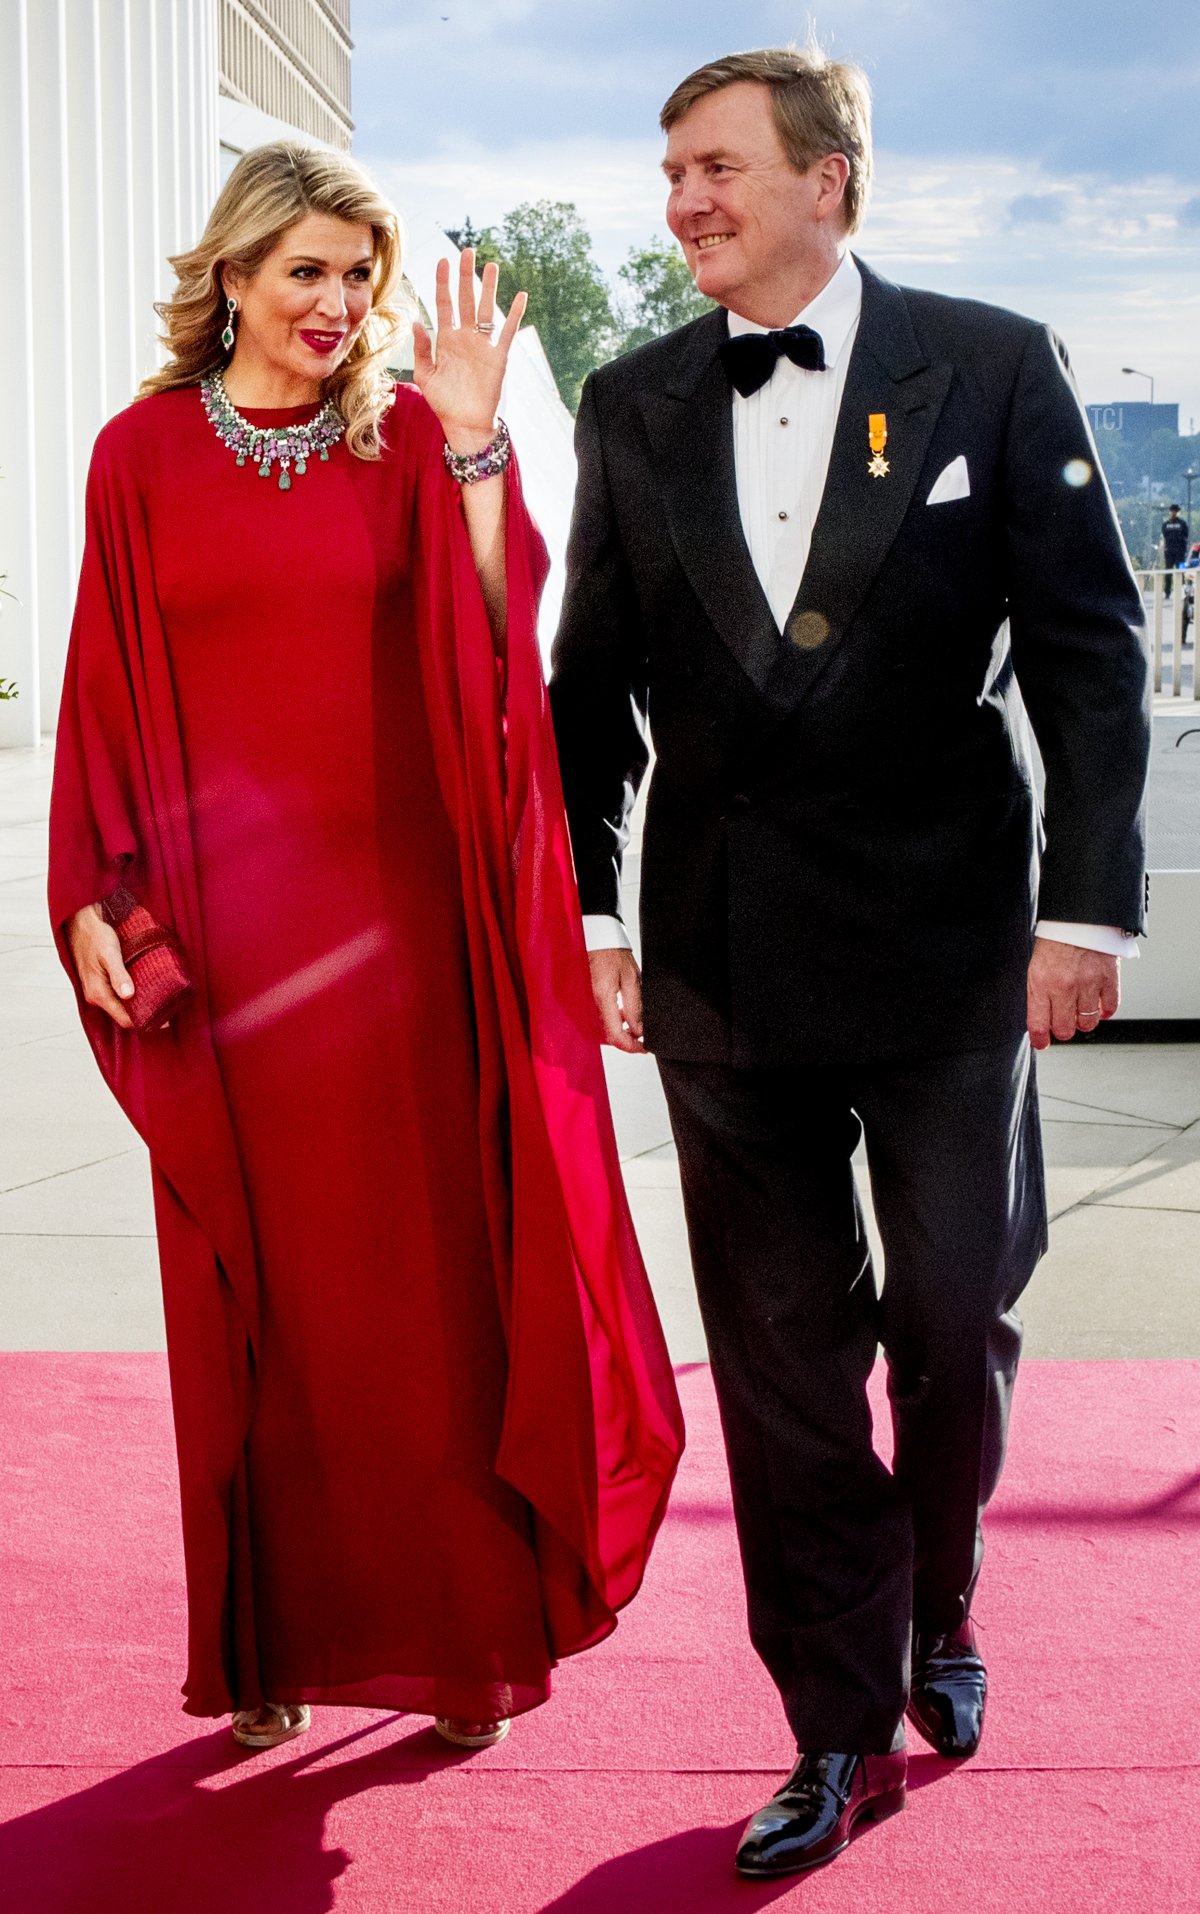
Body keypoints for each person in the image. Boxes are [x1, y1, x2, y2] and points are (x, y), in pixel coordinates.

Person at [550, 47, 1148, 1878]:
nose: (683, 204)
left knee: (952, 1315)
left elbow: (1090, 652)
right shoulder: (633, 394)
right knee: (787, 1363)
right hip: (723, 958)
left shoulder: (991, 359)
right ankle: (828, 1714)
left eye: (715, 167)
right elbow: (591, 690)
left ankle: (943, 1594)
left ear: (832, 181)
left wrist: (1084, 910)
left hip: (958, 953)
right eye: (670, 175)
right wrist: (589, 915)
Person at [49, 145, 682, 1754]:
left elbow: (496, 644)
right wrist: (86, 897)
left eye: (357, 273)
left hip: (407, 947)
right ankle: (266, 1637)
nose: (336, 304)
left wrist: (478, 444)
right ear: (237, 277)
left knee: (427, 1311)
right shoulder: (136, 454)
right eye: (305, 271)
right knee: (253, 1310)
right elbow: (104, 693)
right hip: (230, 955)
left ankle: (458, 1636)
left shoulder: (410, 437)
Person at [1162, 503, 1189, 596]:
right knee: (1168, 572)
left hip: (1180, 552)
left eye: (1176, 511)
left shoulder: (1183, 523)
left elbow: (1186, 537)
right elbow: (1164, 537)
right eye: (1172, 511)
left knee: (1181, 571)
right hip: (1169, 552)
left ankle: (1182, 591)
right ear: (1170, 512)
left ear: (1178, 512)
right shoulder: (1165, 524)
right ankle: (1167, 591)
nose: (1174, 513)